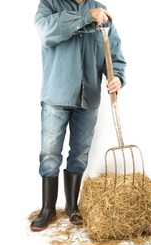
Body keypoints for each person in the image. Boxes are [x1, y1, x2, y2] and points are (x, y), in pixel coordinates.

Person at [30, 0, 126, 231]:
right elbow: (48, 33)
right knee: (50, 155)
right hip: (56, 96)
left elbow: (113, 53)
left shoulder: (101, 10)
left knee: (80, 154)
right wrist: (86, 17)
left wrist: (118, 77)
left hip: (88, 98)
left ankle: (73, 207)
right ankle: (48, 209)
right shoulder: (49, 4)